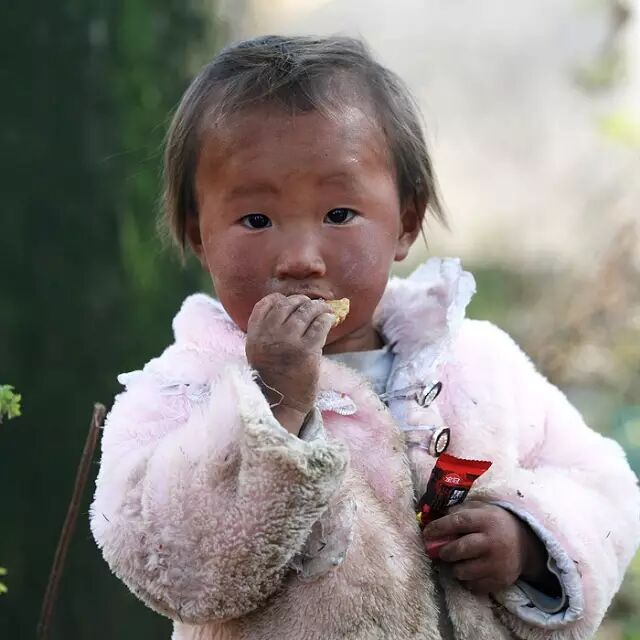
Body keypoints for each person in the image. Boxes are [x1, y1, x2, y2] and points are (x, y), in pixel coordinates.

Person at [90, 35, 640, 640]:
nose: (300, 258)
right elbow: (165, 559)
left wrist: (529, 539)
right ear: (200, 237)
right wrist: (272, 407)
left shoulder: (476, 365)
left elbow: (602, 485)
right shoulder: (185, 388)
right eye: (256, 220)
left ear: (405, 222)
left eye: (338, 215)